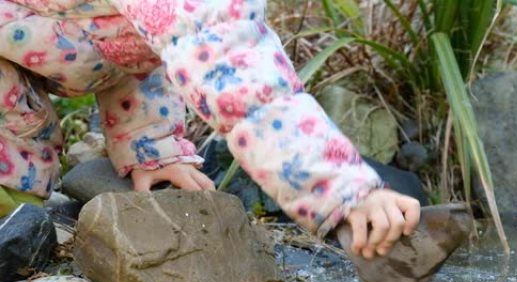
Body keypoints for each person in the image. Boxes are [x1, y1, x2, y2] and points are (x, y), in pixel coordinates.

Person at [0, 0, 420, 259]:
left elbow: (148, 41)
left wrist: (150, 142)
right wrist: (343, 191)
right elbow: (235, 73)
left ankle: (15, 199)